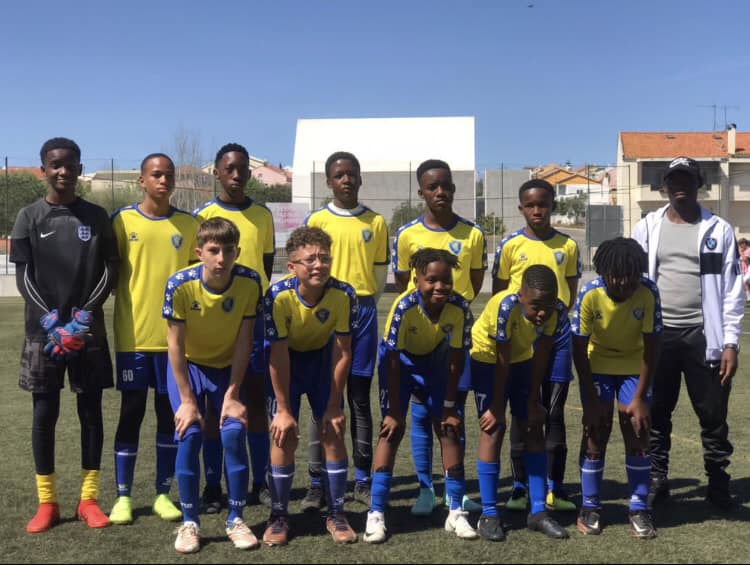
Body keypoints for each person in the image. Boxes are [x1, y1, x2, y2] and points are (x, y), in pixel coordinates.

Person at [10, 137, 118, 533]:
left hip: (87, 333)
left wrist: (82, 319)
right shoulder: (29, 216)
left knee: (90, 413)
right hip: (43, 336)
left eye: (70, 164)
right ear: (43, 169)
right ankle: (47, 503)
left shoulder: (97, 216)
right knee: (45, 414)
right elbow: (24, 276)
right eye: (55, 164)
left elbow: (110, 270)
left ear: (79, 168)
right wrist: (52, 323)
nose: (63, 171)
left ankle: (89, 500)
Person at [632, 157, 743, 513]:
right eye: (673, 180)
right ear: (665, 185)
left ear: (699, 184)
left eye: (687, 179)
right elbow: (635, 283)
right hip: (658, 336)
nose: (680, 185)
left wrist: (730, 342)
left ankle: (718, 485)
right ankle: (657, 481)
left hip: (704, 337)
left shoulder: (718, 230)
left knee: (713, 416)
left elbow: (732, 290)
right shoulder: (647, 227)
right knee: (656, 413)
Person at [108, 153, 199, 525]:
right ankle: (123, 496)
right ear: (142, 180)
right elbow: (109, 274)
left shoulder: (189, 224)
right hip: (133, 336)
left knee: (168, 415)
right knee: (131, 412)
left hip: (175, 341)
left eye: (169, 175)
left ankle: (163, 493)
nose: (164, 181)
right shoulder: (122, 221)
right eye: (157, 175)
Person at [392, 159, 487, 514]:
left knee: (453, 411)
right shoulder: (407, 234)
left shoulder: (472, 234)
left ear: (454, 189)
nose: (440, 192)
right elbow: (403, 283)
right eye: (432, 187)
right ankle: (425, 489)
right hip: (419, 335)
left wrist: (450, 312)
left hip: (455, 333)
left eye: (446, 185)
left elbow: (474, 284)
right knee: (420, 413)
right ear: (421, 192)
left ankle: (455, 490)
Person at [364, 248, 478, 544]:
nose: (440, 286)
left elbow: (456, 358)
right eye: (431, 280)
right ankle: (375, 514)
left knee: (449, 429)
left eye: (446, 280)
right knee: (391, 431)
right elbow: (392, 358)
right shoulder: (404, 307)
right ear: (416, 281)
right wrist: (393, 410)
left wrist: (450, 405)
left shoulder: (459, 307)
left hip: (435, 363)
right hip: (400, 366)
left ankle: (456, 511)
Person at [163, 217, 262, 554]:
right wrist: (187, 400)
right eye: (214, 250)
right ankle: (190, 522)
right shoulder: (180, 284)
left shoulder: (249, 283)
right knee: (189, 433)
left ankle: (236, 518)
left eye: (228, 251)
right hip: (189, 367)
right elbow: (175, 345)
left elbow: (245, 342)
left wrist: (233, 393)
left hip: (227, 369)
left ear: (238, 252)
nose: (221, 259)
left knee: (233, 433)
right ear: (199, 252)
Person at [303, 151, 389, 509]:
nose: (346, 180)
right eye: (339, 175)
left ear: (360, 178)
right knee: (323, 398)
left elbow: (380, 275)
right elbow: (307, 269)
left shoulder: (376, 222)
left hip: (363, 313)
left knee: (359, 397)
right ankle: (317, 482)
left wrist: (360, 302)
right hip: (325, 311)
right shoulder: (317, 219)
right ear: (329, 182)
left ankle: (363, 480)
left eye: (352, 174)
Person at [262, 226, 358, 546]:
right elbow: (277, 354)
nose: (319, 265)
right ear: (292, 267)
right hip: (286, 363)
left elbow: (343, 351)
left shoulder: (344, 294)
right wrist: (284, 410)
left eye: (324, 258)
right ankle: (278, 516)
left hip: (321, 362)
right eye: (310, 259)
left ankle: (336, 513)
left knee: (333, 430)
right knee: (283, 434)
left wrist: (333, 405)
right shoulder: (278, 296)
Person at [193, 143, 275, 511]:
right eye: (229, 169)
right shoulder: (203, 215)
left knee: (255, 402)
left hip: (254, 320)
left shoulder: (263, 215)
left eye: (243, 169)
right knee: (213, 408)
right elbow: (196, 270)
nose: (237, 175)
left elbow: (266, 266)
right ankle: (213, 486)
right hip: (213, 322)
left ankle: (261, 482)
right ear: (216, 173)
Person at [492, 178, 581, 513]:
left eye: (542, 204)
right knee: (522, 410)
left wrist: (550, 320)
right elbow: (500, 291)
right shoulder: (510, 244)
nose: (537, 210)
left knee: (553, 412)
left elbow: (570, 292)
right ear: (521, 209)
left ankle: (555, 486)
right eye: (530, 205)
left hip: (556, 336)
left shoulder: (567, 245)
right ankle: (520, 486)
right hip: (520, 337)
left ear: (552, 205)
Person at [470, 264, 569, 541]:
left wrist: (533, 400)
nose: (542, 313)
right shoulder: (505, 306)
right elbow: (502, 360)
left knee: (533, 426)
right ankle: (489, 514)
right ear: (521, 295)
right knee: (494, 429)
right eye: (536, 306)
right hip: (487, 358)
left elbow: (542, 354)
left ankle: (538, 512)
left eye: (547, 306)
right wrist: (497, 407)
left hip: (523, 356)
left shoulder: (557, 311)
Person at [572, 238, 661, 539]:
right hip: (597, 366)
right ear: (604, 272)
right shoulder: (590, 293)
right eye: (617, 276)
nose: (624, 283)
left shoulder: (648, 292)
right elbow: (579, 349)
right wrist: (590, 402)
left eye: (631, 276)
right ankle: (590, 506)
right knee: (596, 430)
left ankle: (638, 508)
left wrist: (640, 398)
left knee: (637, 429)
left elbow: (652, 347)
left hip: (635, 366)